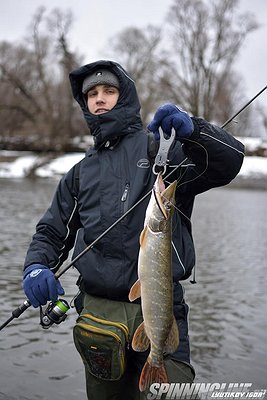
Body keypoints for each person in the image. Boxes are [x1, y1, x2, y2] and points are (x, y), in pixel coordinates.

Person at [22, 59, 245, 400]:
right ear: (85, 104)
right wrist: (37, 266)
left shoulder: (160, 149)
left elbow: (228, 163)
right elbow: (52, 232)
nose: (99, 98)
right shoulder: (81, 172)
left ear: (124, 96)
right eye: (92, 93)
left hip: (160, 307)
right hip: (98, 315)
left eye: (108, 91)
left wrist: (196, 130)